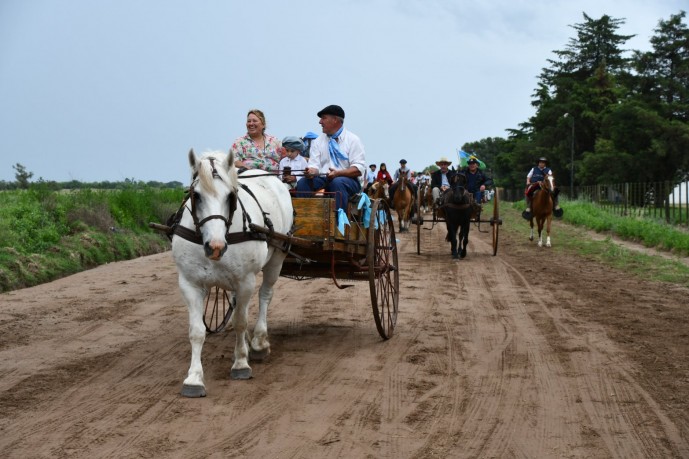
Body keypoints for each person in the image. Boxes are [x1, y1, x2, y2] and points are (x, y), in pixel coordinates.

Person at [295, 105, 365, 215]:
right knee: (303, 183)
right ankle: (302, 219)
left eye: (323, 118)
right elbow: (314, 166)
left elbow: (358, 169)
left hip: (348, 180)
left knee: (337, 183)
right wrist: (311, 172)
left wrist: (338, 173)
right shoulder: (317, 141)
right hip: (323, 178)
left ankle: (338, 224)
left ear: (335, 120)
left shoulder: (353, 140)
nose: (320, 122)